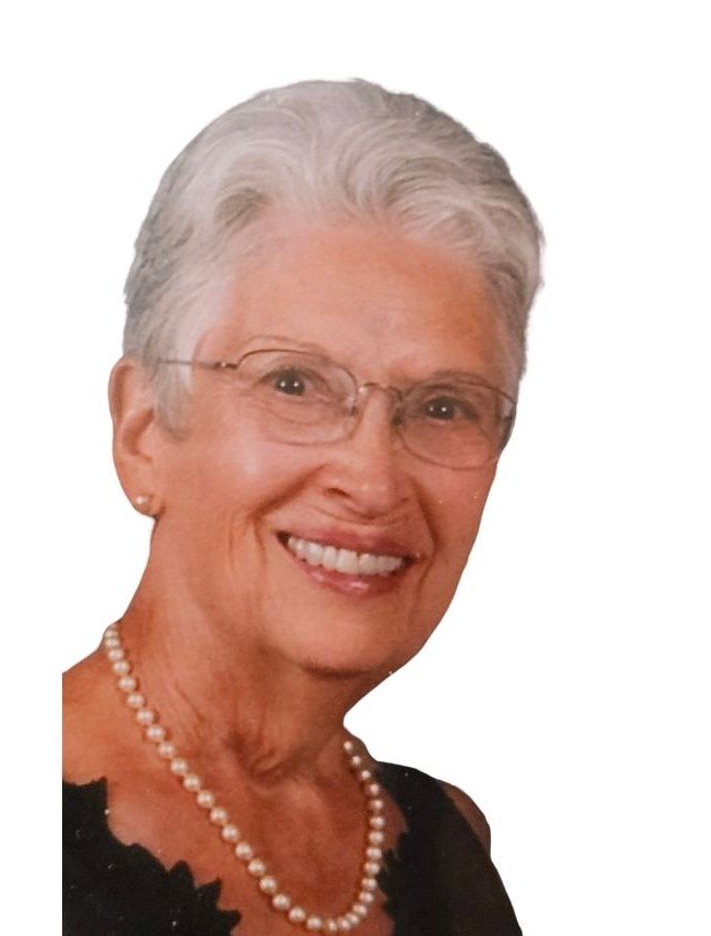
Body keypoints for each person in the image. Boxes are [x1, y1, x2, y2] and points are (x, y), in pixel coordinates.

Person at [63, 79, 542, 935]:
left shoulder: (447, 842)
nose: (373, 480)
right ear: (144, 431)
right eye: (294, 384)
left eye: (443, 406)